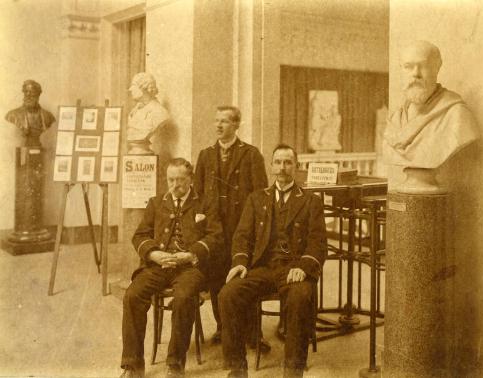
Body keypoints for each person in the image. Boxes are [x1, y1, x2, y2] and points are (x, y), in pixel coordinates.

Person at [219, 144, 328, 378]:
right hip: (263, 267)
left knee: (299, 297)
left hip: (294, 269)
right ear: (271, 166)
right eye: (278, 162)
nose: (282, 168)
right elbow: (242, 236)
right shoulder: (257, 199)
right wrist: (240, 262)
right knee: (228, 294)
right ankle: (237, 368)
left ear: (297, 167)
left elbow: (318, 243)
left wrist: (303, 267)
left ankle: (293, 370)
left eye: (288, 162)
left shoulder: (311, 200)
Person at [119, 158, 222, 378]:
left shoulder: (205, 203)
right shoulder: (156, 203)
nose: (175, 185)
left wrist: (191, 253)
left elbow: (216, 236)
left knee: (184, 297)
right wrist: (154, 254)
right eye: (171, 180)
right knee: (132, 296)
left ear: (191, 179)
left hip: (189, 267)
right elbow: (140, 235)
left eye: (180, 180)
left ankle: (175, 363)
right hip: (158, 266)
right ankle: (133, 364)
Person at [193, 105, 268, 347]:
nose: (218, 125)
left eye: (224, 121)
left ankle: (254, 333)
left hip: (242, 227)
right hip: (215, 230)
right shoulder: (205, 155)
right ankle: (223, 327)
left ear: (236, 125)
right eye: (216, 121)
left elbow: (260, 196)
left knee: (246, 276)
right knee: (217, 279)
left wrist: (256, 227)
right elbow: (198, 193)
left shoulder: (251, 154)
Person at [383, 40, 477, 169]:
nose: (416, 73)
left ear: (437, 69)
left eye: (424, 66)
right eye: (408, 66)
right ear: (400, 70)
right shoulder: (395, 119)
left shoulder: (457, 115)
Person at [127, 72, 169, 154]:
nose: (130, 89)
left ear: (144, 88)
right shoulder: (135, 110)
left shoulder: (159, 112)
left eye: (134, 85)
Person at [5, 80, 55, 147]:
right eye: (26, 92)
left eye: (32, 92)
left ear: (38, 95)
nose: (28, 95)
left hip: (38, 147)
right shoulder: (13, 115)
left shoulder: (48, 116)